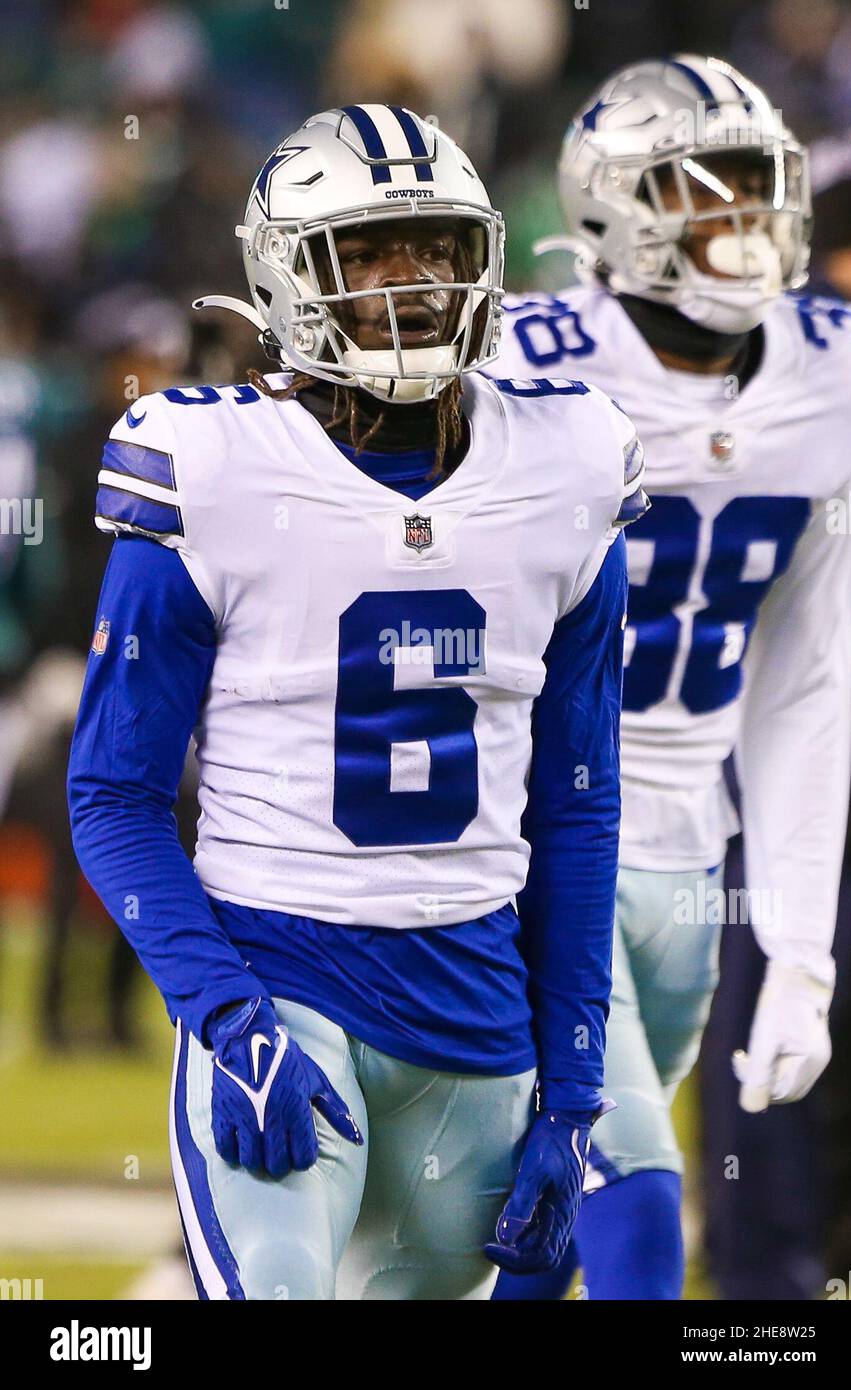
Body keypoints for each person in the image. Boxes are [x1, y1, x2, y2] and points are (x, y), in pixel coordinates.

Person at [67, 104, 646, 1300]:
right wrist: (224, 1015)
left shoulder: (568, 460)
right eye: (369, 251)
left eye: (434, 248)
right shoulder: (211, 468)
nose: (411, 282)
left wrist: (575, 1088)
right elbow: (113, 794)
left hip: (477, 1010)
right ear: (284, 273)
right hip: (281, 980)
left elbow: (577, 809)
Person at [492, 55, 851, 1301]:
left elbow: (803, 680)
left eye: (756, 191)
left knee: (537, 1239)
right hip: (533, 833)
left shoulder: (834, 372)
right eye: (703, 195)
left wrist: (799, 947)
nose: (741, 225)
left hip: (688, 846)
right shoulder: (520, 363)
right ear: (616, 211)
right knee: (641, 1210)